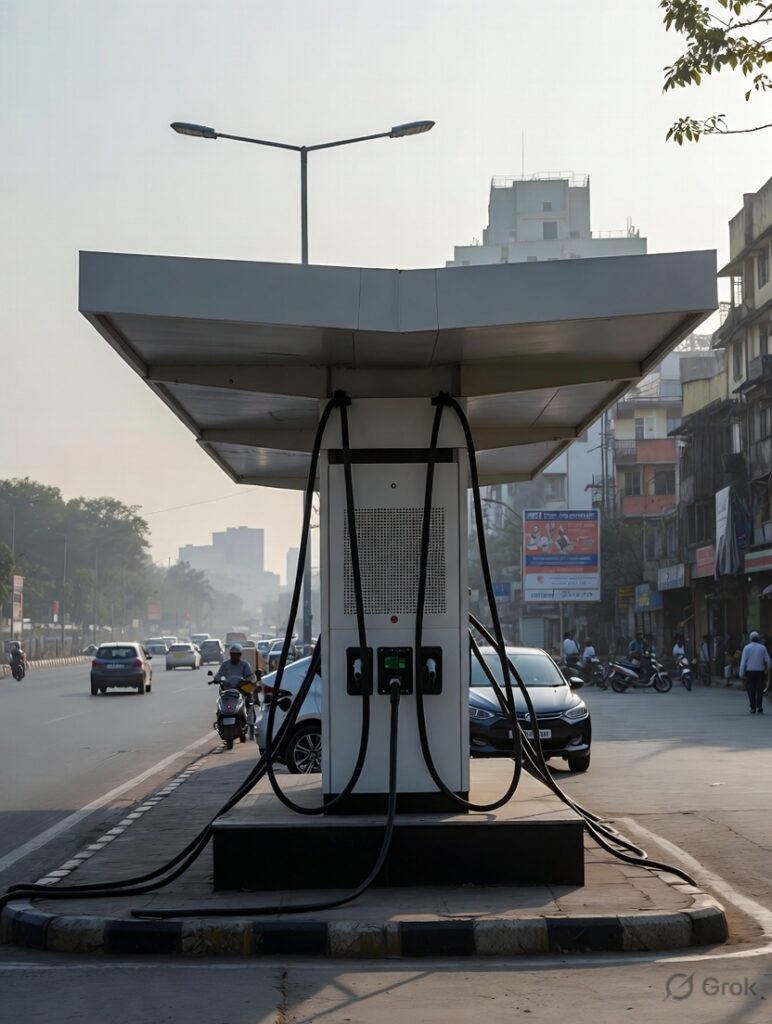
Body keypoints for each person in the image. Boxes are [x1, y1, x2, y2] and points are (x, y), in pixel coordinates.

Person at [739, 631, 771, 714]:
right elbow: (768, 660)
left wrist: (741, 674)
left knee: (751, 690)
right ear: (758, 639)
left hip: (749, 672)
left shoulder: (746, 648)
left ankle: (753, 707)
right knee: (759, 690)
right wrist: (768, 669)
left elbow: (743, 662)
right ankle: (759, 706)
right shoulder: (762, 648)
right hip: (760, 672)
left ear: (750, 639)